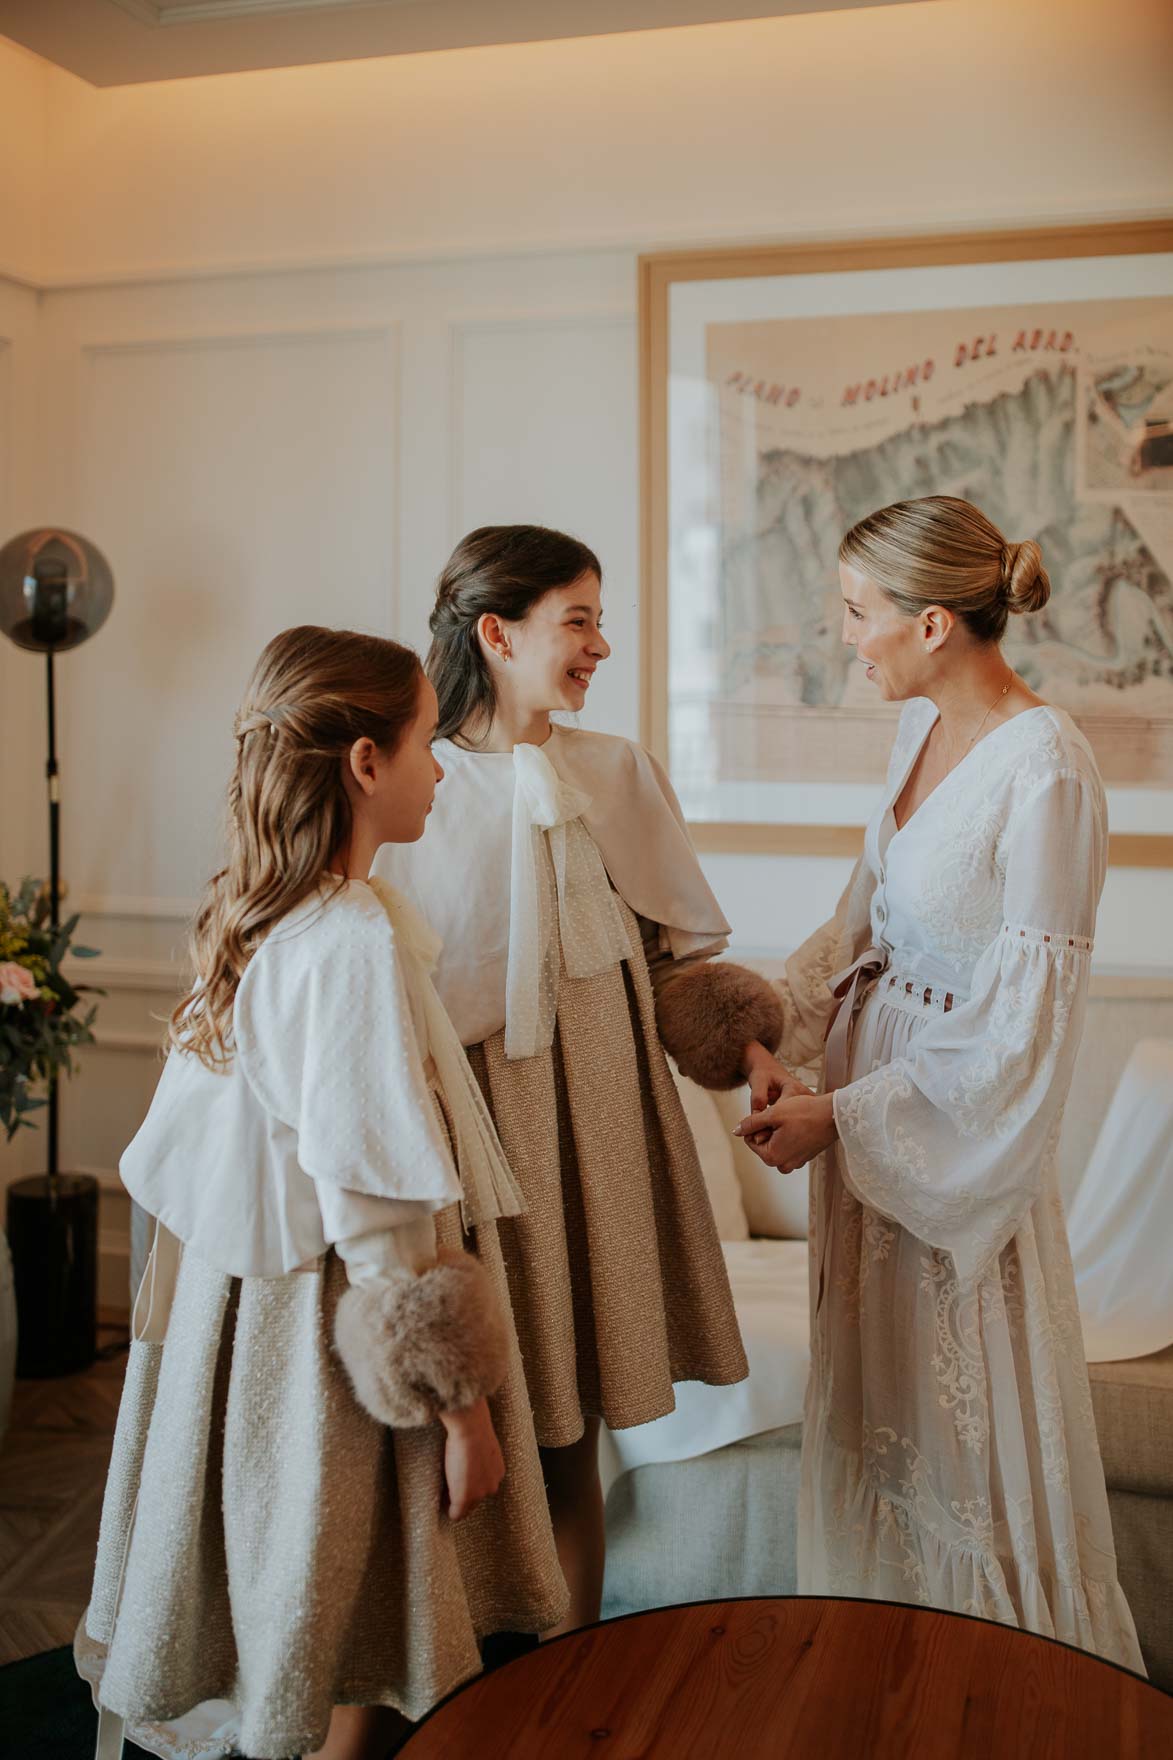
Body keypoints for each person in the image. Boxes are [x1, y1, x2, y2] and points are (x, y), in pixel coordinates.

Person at [75, 627, 567, 1760]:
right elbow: (375, 1200)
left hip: (246, 1305)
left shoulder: (271, 913)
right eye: (421, 742)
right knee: (346, 1592)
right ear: (363, 762)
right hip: (333, 1330)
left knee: (316, 1596)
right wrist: (463, 1409)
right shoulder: (346, 939)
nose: (441, 765)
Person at [737, 496, 1144, 1670]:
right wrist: (777, 1038)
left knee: (959, 1446)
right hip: (864, 1153)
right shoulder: (909, 734)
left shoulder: (1049, 769)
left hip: (944, 1155)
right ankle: (878, 1680)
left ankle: (991, 1690)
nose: (844, 634)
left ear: (930, 623)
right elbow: (859, 928)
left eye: (857, 612)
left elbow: (1026, 1031)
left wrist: (843, 1115)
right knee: (876, 1422)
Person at [374, 525, 785, 1631]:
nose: (601, 644)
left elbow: (674, 967)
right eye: (580, 619)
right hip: (475, 1147)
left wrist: (743, 1046)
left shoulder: (616, 773)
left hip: (601, 1142)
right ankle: (452, 1684)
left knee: (575, 1437)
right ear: (497, 632)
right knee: (461, 1434)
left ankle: (569, 1689)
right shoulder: (415, 786)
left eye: (601, 618)